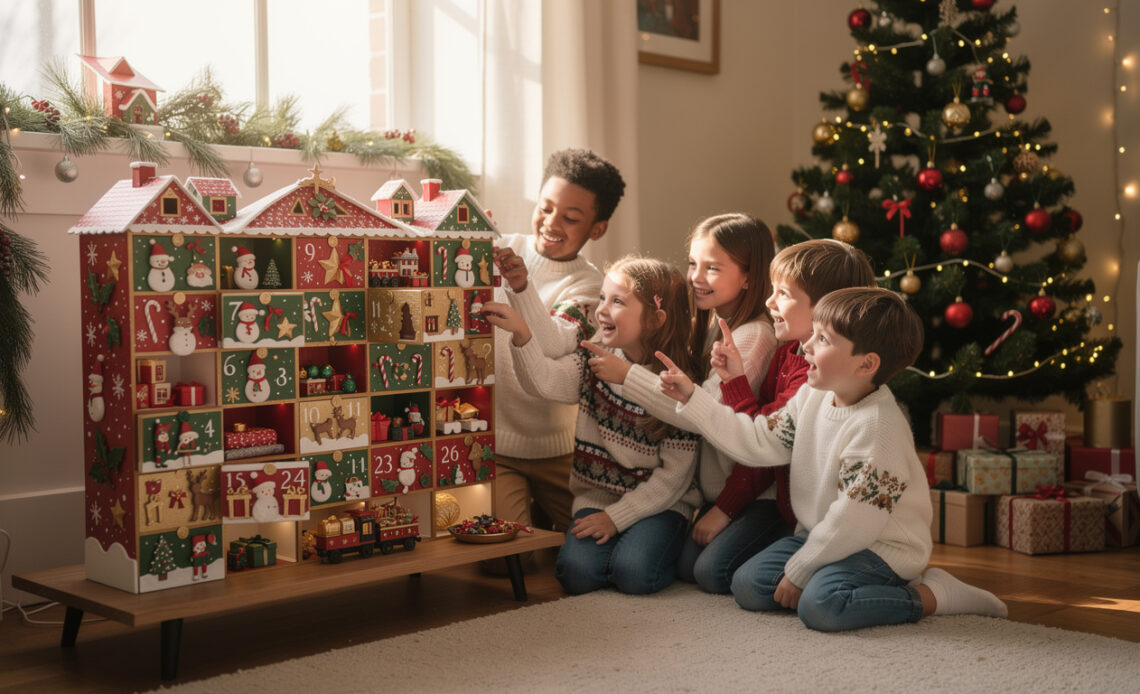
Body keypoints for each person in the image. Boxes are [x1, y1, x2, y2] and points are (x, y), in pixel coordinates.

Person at [657, 287, 1007, 631]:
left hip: (880, 548)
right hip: (823, 536)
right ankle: (831, 576)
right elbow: (759, 441)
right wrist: (694, 399)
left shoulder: (878, 427)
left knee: (821, 606)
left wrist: (800, 570)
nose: (806, 346)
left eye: (822, 339)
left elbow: (854, 522)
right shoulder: (812, 396)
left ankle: (934, 595)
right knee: (748, 585)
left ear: (866, 364)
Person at [580, 213, 783, 594]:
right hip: (712, 492)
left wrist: (627, 376)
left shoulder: (753, 336)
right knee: (687, 566)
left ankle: (787, 550)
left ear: (748, 278)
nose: (695, 277)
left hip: (752, 491)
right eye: (693, 264)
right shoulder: (709, 325)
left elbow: (699, 414)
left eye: (712, 268)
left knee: (706, 572)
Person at [483, 256, 701, 595]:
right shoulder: (593, 360)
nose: (601, 310)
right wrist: (522, 335)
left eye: (617, 302)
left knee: (635, 575)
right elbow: (542, 382)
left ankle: (668, 544)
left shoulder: (680, 383)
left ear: (656, 319)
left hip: (661, 504)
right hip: (599, 498)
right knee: (576, 575)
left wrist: (617, 520)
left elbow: (674, 479)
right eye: (602, 297)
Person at [490, 148, 626, 538]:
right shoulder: (502, 250)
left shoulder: (590, 286)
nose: (551, 223)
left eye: (570, 217)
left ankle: (544, 513)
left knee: (593, 545)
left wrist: (521, 287)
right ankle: (532, 515)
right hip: (499, 448)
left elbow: (551, 343)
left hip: (560, 451)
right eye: (546, 208)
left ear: (596, 229)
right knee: (506, 559)